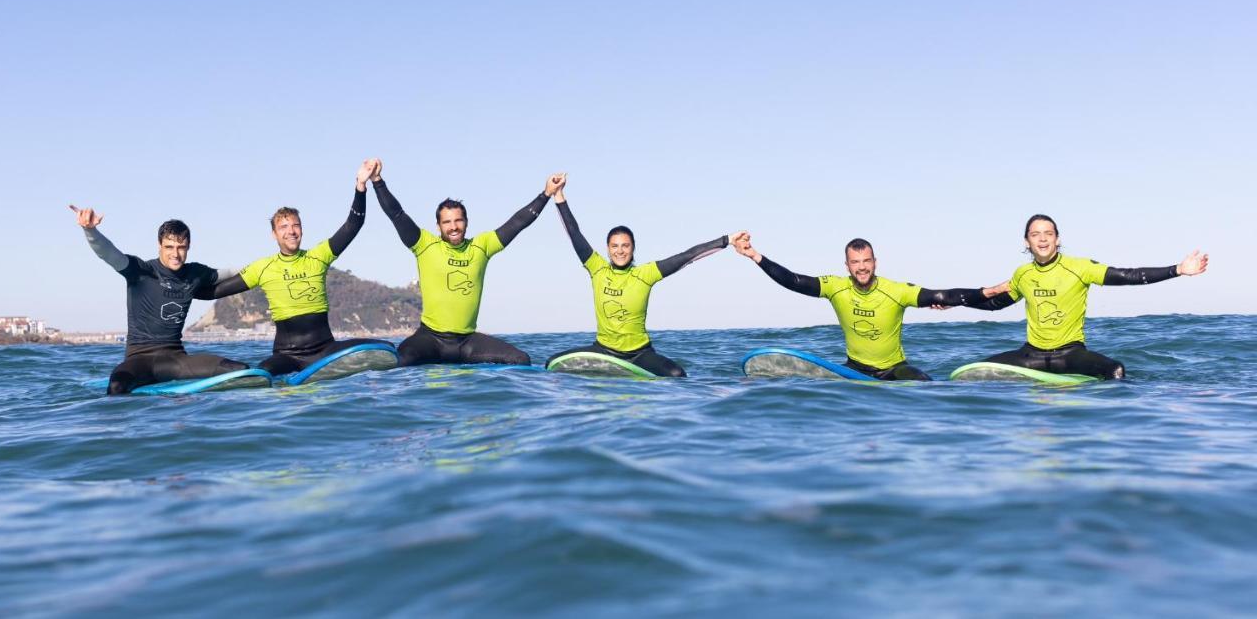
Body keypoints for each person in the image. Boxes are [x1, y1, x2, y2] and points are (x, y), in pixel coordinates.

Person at [960, 214, 1208, 379]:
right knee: (980, 372)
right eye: (1035, 234)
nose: (1043, 238)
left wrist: (1177, 270)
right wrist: (955, 302)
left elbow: (1127, 275)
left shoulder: (1080, 267)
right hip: (1031, 354)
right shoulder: (1022, 274)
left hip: (1069, 354)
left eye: (1048, 233)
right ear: (1027, 242)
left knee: (1116, 371)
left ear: (1057, 239)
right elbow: (995, 304)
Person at [207, 160, 393, 374]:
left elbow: (353, 225)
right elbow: (216, 292)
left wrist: (360, 186)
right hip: (288, 356)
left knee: (385, 348)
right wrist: (178, 284)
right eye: (284, 227)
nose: (291, 231)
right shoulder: (263, 267)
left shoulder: (319, 256)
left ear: (302, 230)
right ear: (274, 234)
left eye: (296, 225)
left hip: (326, 351)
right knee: (262, 373)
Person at [548, 176, 745, 377]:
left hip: (639, 354)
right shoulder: (597, 268)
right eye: (614, 246)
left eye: (625, 246)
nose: (620, 251)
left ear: (633, 249)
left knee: (677, 374)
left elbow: (687, 257)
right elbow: (575, 234)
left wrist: (726, 240)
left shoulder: (645, 273)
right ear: (607, 249)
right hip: (603, 350)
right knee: (551, 364)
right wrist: (559, 195)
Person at [371, 160, 561, 366]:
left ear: (466, 222)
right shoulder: (424, 244)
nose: (453, 227)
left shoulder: (482, 246)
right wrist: (377, 181)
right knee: (400, 361)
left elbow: (517, 223)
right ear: (438, 226)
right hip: (430, 340)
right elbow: (396, 214)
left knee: (521, 360)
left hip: (467, 342)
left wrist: (546, 194)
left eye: (458, 220)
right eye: (447, 222)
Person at [732, 235, 1001, 380]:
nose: (862, 267)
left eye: (866, 261)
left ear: (875, 262)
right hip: (854, 368)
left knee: (921, 381)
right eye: (855, 262)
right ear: (846, 265)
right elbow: (793, 281)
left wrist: (986, 292)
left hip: (893, 369)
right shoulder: (835, 286)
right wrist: (755, 256)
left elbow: (942, 295)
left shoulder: (895, 290)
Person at [70, 205, 248, 395]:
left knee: (241, 371)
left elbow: (226, 273)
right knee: (116, 387)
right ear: (159, 246)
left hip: (176, 360)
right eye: (169, 247)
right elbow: (109, 254)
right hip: (139, 360)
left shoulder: (194, 274)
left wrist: (264, 268)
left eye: (181, 247)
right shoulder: (141, 272)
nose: (175, 253)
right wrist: (90, 230)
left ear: (188, 247)